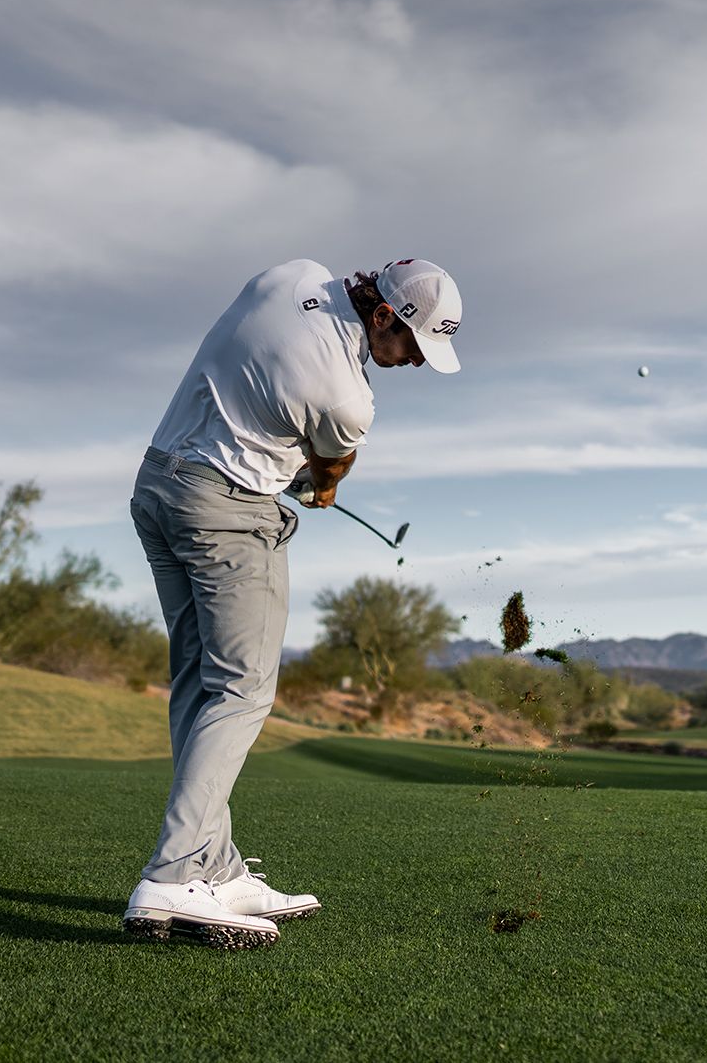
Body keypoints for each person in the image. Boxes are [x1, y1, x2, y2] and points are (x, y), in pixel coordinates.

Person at [124, 257, 462, 949]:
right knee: (243, 689)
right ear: (382, 317)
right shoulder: (348, 398)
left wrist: (291, 458)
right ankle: (171, 875)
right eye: (412, 347)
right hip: (227, 513)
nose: (414, 363)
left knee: (198, 680)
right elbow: (330, 464)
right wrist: (322, 484)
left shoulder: (293, 274)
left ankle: (214, 865)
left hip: (159, 487)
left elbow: (267, 368)